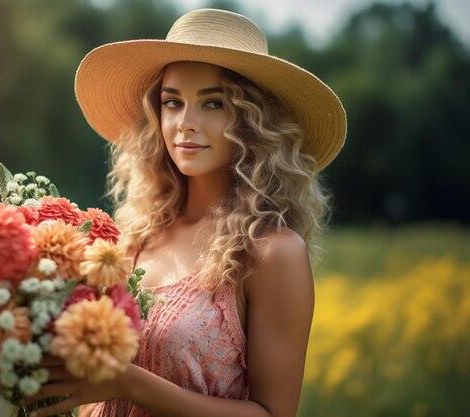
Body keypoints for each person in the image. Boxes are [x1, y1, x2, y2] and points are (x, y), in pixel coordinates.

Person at [25, 8, 346, 417]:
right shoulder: (132, 239)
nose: (184, 124)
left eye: (212, 103)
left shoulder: (271, 253)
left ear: (252, 120)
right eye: (172, 102)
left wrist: (129, 383)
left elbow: (273, 414)